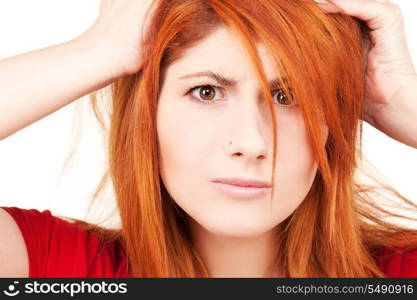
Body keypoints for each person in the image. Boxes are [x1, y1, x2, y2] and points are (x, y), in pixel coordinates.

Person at [1, 0, 417, 278]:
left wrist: (398, 97)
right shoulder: (58, 268)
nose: (252, 142)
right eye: (207, 92)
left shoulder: (399, 274)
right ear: (148, 116)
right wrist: (99, 50)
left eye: (288, 96)